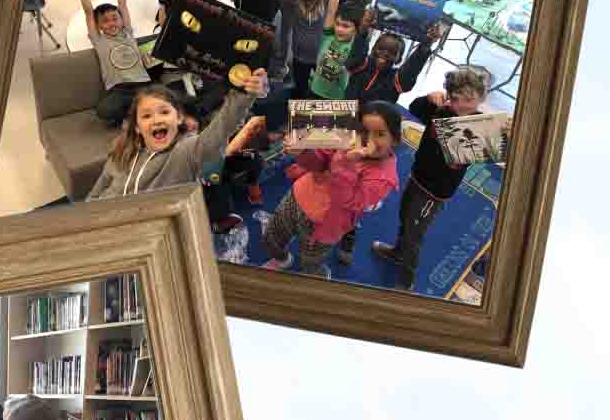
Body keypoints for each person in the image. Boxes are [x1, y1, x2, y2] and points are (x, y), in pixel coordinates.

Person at [374, 65, 499, 289]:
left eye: (469, 100)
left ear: (481, 99)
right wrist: (428, 98)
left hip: (435, 192)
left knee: (415, 234)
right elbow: (414, 108)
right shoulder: (441, 109)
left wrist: (499, 133)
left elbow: (490, 151)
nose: (461, 105)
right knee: (404, 217)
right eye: (456, 98)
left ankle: (406, 282)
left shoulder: (477, 126)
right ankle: (397, 252)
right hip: (417, 176)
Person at [261, 101, 402, 277]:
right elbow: (320, 161)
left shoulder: (384, 177)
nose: (369, 140)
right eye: (364, 131)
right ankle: (282, 259)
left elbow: (351, 201)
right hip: (298, 197)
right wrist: (302, 152)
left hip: (324, 225)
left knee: (310, 262)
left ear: (395, 140)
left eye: (380, 134)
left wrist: (346, 161)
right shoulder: (346, 138)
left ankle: (317, 275)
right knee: (272, 236)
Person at [83, 73, 265, 201]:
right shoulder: (122, 149)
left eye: (164, 112)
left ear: (178, 118)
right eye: (146, 116)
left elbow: (224, 125)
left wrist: (245, 94)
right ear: (137, 127)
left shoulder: (185, 152)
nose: (156, 120)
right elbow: (100, 187)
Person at [76, 0, 152, 129]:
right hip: (119, 89)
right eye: (105, 21)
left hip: (142, 83)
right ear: (99, 26)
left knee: (163, 98)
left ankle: (133, 117)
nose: (111, 23)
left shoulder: (127, 33)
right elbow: (89, 12)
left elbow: (122, 5)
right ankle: (136, 115)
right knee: (104, 110)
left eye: (114, 18)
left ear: (122, 20)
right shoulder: (99, 40)